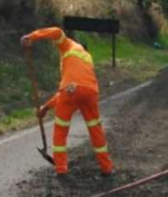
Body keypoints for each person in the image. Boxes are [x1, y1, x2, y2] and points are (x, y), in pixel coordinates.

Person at [20, 27, 113, 177]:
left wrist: (32, 36)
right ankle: (106, 168)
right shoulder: (86, 57)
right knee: (95, 129)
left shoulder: (67, 45)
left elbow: (56, 31)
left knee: (61, 129)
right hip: (90, 91)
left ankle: (61, 169)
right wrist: (45, 107)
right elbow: (75, 87)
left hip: (70, 90)